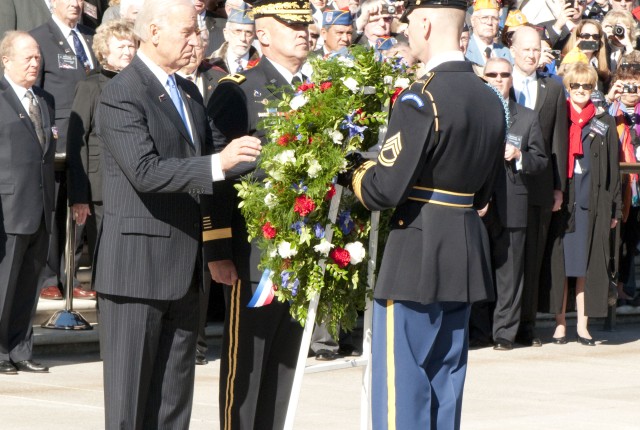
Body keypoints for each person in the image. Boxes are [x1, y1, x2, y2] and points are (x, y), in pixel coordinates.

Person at [93, 0, 261, 427]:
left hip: (185, 271)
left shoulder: (188, 91)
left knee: (173, 405)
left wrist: (291, 154)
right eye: (188, 31)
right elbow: (145, 171)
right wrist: (217, 164)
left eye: (199, 30)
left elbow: (226, 152)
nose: (197, 40)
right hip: (135, 272)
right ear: (153, 33)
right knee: (130, 407)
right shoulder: (120, 93)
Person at [341, 0, 506, 427]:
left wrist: (352, 168)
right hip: (465, 251)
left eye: (410, 23)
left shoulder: (421, 97)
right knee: (445, 388)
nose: (407, 32)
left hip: (416, 253)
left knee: (402, 390)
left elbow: (383, 189)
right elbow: (487, 192)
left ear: (427, 23)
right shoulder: (489, 97)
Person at [205, 0, 313, 427]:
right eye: (291, 24)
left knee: (286, 362)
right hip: (251, 248)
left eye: (306, 24)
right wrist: (216, 246)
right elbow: (213, 169)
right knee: (246, 363)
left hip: (303, 245)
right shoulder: (238, 88)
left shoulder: (316, 87)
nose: (303, 31)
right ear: (263, 34)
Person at [470, 57, 547, 351]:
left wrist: (519, 156)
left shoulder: (527, 117)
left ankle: (504, 332)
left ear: (512, 79)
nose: (499, 79)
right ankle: (479, 331)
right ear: (484, 78)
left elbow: (541, 161)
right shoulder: (473, 114)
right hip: (478, 204)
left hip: (513, 202)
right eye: (492, 74)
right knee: (479, 269)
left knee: (511, 272)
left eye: (504, 74)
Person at [547, 62, 621, 345]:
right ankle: (560, 323)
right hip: (564, 200)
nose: (581, 91)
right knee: (562, 265)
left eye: (587, 86)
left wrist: (616, 207)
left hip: (594, 201)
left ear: (593, 89)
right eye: (575, 86)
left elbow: (614, 170)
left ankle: (583, 324)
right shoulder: (559, 117)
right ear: (568, 87)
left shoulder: (604, 122)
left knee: (587, 266)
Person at [30, 0, 98, 301]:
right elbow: (35, 90)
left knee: (81, 210)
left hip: (89, 138)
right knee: (56, 210)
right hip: (58, 140)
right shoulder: (39, 39)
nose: (75, 3)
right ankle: (49, 276)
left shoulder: (91, 36)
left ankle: (70, 277)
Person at [509, 25, 568, 347]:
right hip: (503, 184)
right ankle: (495, 323)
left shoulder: (553, 88)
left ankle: (526, 326)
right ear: (513, 51)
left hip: (539, 185)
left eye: (536, 49)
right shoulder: (499, 83)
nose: (531, 55)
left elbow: (558, 139)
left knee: (533, 258)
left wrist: (558, 188)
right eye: (526, 49)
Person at [0, 31, 55, 374]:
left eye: (37, 57)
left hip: (40, 205)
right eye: (27, 58)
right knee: (4, 284)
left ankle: (20, 348)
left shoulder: (44, 100)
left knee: (28, 285)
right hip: (8, 207)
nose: (35, 63)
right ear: (6, 59)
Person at [67, 19, 136, 289]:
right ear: (103, 50)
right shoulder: (91, 86)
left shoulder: (138, 84)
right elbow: (77, 141)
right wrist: (79, 197)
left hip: (134, 184)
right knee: (105, 257)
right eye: (121, 45)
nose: (128, 51)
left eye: (132, 45)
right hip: (100, 188)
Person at [177, 29, 228, 366]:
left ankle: (198, 343)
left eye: (200, 44)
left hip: (210, 185)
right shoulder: (162, 86)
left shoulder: (217, 81)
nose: (194, 49)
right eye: (189, 42)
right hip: (179, 187)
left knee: (205, 276)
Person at [605, 53, 640, 302]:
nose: (631, 91)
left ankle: (625, 288)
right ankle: (610, 287)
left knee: (631, 241)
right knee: (614, 240)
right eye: (627, 84)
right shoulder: (611, 110)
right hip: (616, 185)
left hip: (637, 188)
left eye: (636, 85)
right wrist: (610, 98)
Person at [560, 19, 611, 89]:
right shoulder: (565, 60)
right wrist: (575, 55)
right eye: (585, 36)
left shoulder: (600, 68)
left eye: (595, 36)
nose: (590, 39)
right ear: (577, 38)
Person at [209, 3, 259, 74]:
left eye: (248, 32)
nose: (243, 38)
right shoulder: (209, 66)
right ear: (226, 33)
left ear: (254, 36)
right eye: (237, 31)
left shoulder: (262, 67)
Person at [465, 0, 513, 66]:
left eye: (494, 18)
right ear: (473, 21)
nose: (489, 22)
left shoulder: (507, 54)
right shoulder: (464, 50)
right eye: (484, 18)